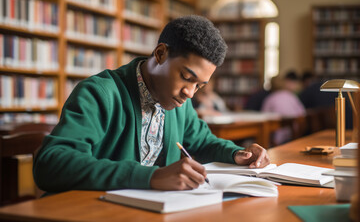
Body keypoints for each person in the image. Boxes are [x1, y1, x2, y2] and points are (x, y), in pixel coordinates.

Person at [33, 15, 270, 193]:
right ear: (160, 54)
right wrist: (150, 177)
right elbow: (51, 163)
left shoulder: (180, 102)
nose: (189, 93)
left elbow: (202, 142)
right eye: (187, 78)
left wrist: (238, 153)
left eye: (199, 85)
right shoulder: (100, 93)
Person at [261, 75, 306, 145]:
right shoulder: (291, 96)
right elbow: (302, 112)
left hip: (277, 137)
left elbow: (263, 116)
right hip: (294, 133)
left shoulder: (270, 99)